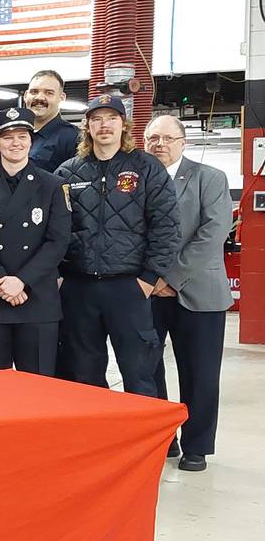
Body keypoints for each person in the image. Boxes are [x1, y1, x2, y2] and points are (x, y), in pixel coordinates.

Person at [56, 95, 181, 396]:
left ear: (124, 125)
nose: (104, 125)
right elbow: (56, 229)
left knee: (140, 376)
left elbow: (166, 226)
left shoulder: (147, 168)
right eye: (96, 119)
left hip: (129, 287)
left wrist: (149, 279)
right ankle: (96, 441)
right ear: (86, 126)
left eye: (111, 118)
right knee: (84, 377)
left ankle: (159, 445)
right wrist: (60, 275)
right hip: (79, 288)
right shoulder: (67, 173)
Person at [146, 114, 232, 470]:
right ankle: (163, 440)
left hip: (199, 292)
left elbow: (213, 233)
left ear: (184, 142)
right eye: (153, 138)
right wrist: (152, 279)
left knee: (199, 373)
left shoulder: (209, 178)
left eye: (167, 138)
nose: (159, 145)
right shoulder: (137, 182)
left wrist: (170, 277)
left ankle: (197, 445)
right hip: (147, 291)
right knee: (146, 369)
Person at [0, 106, 70, 374]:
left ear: (31, 141)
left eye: (22, 136)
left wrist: (21, 281)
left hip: (36, 299)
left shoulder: (53, 185)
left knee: (39, 392)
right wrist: (1, 281)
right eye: (8, 137)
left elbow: (58, 241)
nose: (16, 143)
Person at [23, 69, 80, 172]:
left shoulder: (73, 138)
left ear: (62, 98)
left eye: (49, 93)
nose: (39, 98)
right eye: (34, 92)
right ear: (26, 96)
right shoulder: (13, 134)